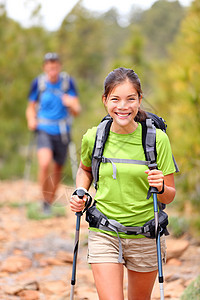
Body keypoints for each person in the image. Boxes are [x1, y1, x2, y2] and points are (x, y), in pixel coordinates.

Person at [70, 67, 176, 300]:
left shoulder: (157, 139)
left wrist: (160, 188)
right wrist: (81, 191)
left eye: (130, 99)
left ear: (140, 99)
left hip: (146, 234)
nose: (123, 106)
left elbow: (169, 195)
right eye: (115, 99)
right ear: (105, 100)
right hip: (105, 231)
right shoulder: (94, 137)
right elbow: (85, 169)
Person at [26, 52, 81, 215]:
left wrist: (71, 104)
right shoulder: (38, 83)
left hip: (62, 131)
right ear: (45, 68)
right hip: (43, 129)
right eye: (49, 68)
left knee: (57, 168)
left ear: (59, 67)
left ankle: (49, 202)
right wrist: (31, 119)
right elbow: (30, 106)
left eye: (55, 67)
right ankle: (43, 201)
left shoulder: (67, 82)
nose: (52, 71)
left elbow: (77, 110)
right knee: (44, 164)